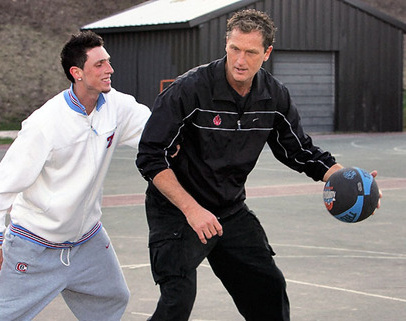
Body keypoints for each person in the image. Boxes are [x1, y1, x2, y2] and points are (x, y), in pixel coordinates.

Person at [136, 9, 381, 321]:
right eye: (234, 49)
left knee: (269, 289)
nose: (240, 60)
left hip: (229, 209)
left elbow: (297, 150)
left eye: (250, 52)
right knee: (177, 300)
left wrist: (349, 179)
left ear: (266, 53)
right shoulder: (190, 90)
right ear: (226, 45)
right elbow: (151, 156)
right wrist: (191, 210)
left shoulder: (273, 96)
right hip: (177, 210)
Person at [0, 30, 150, 321]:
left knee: (112, 299)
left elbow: (155, 132)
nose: (110, 69)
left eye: (108, 62)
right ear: (77, 72)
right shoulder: (45, 123)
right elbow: (3, 184)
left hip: (87, 242)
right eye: (99, 64)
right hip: (35, 244)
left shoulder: (117, 106)